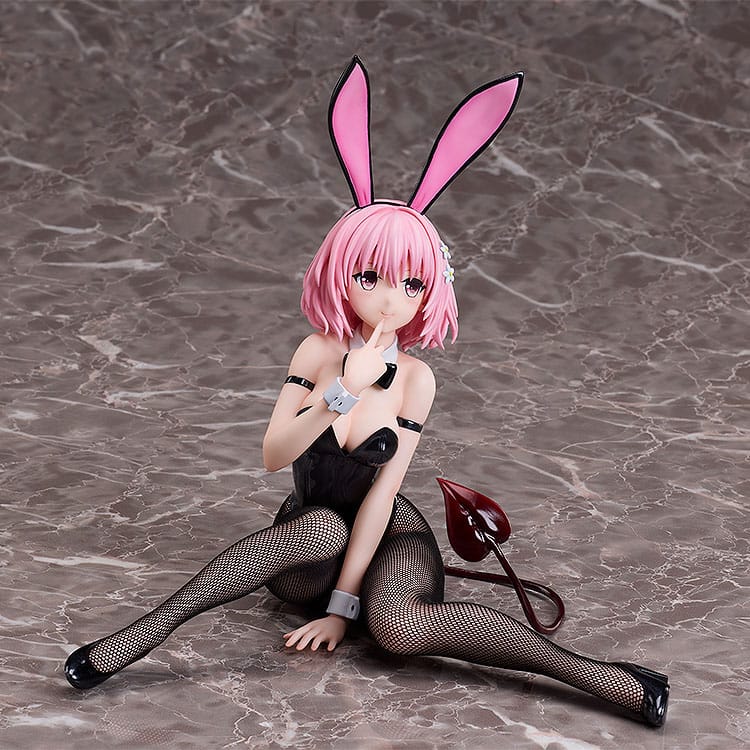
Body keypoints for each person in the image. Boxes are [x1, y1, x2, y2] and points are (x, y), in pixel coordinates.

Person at [64, 57, 669, 727]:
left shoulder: (416, 379)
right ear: (342, 269)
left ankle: (613, 681)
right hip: (305, 543)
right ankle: (140, 637)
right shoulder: (317, 352)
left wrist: (341, 610)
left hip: (391, 542)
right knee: (322, 524)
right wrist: (340, 394)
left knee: (401, 629)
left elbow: (382, 496)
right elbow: (273, 455)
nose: (391, 299)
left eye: (412, 284)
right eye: (372, 276)